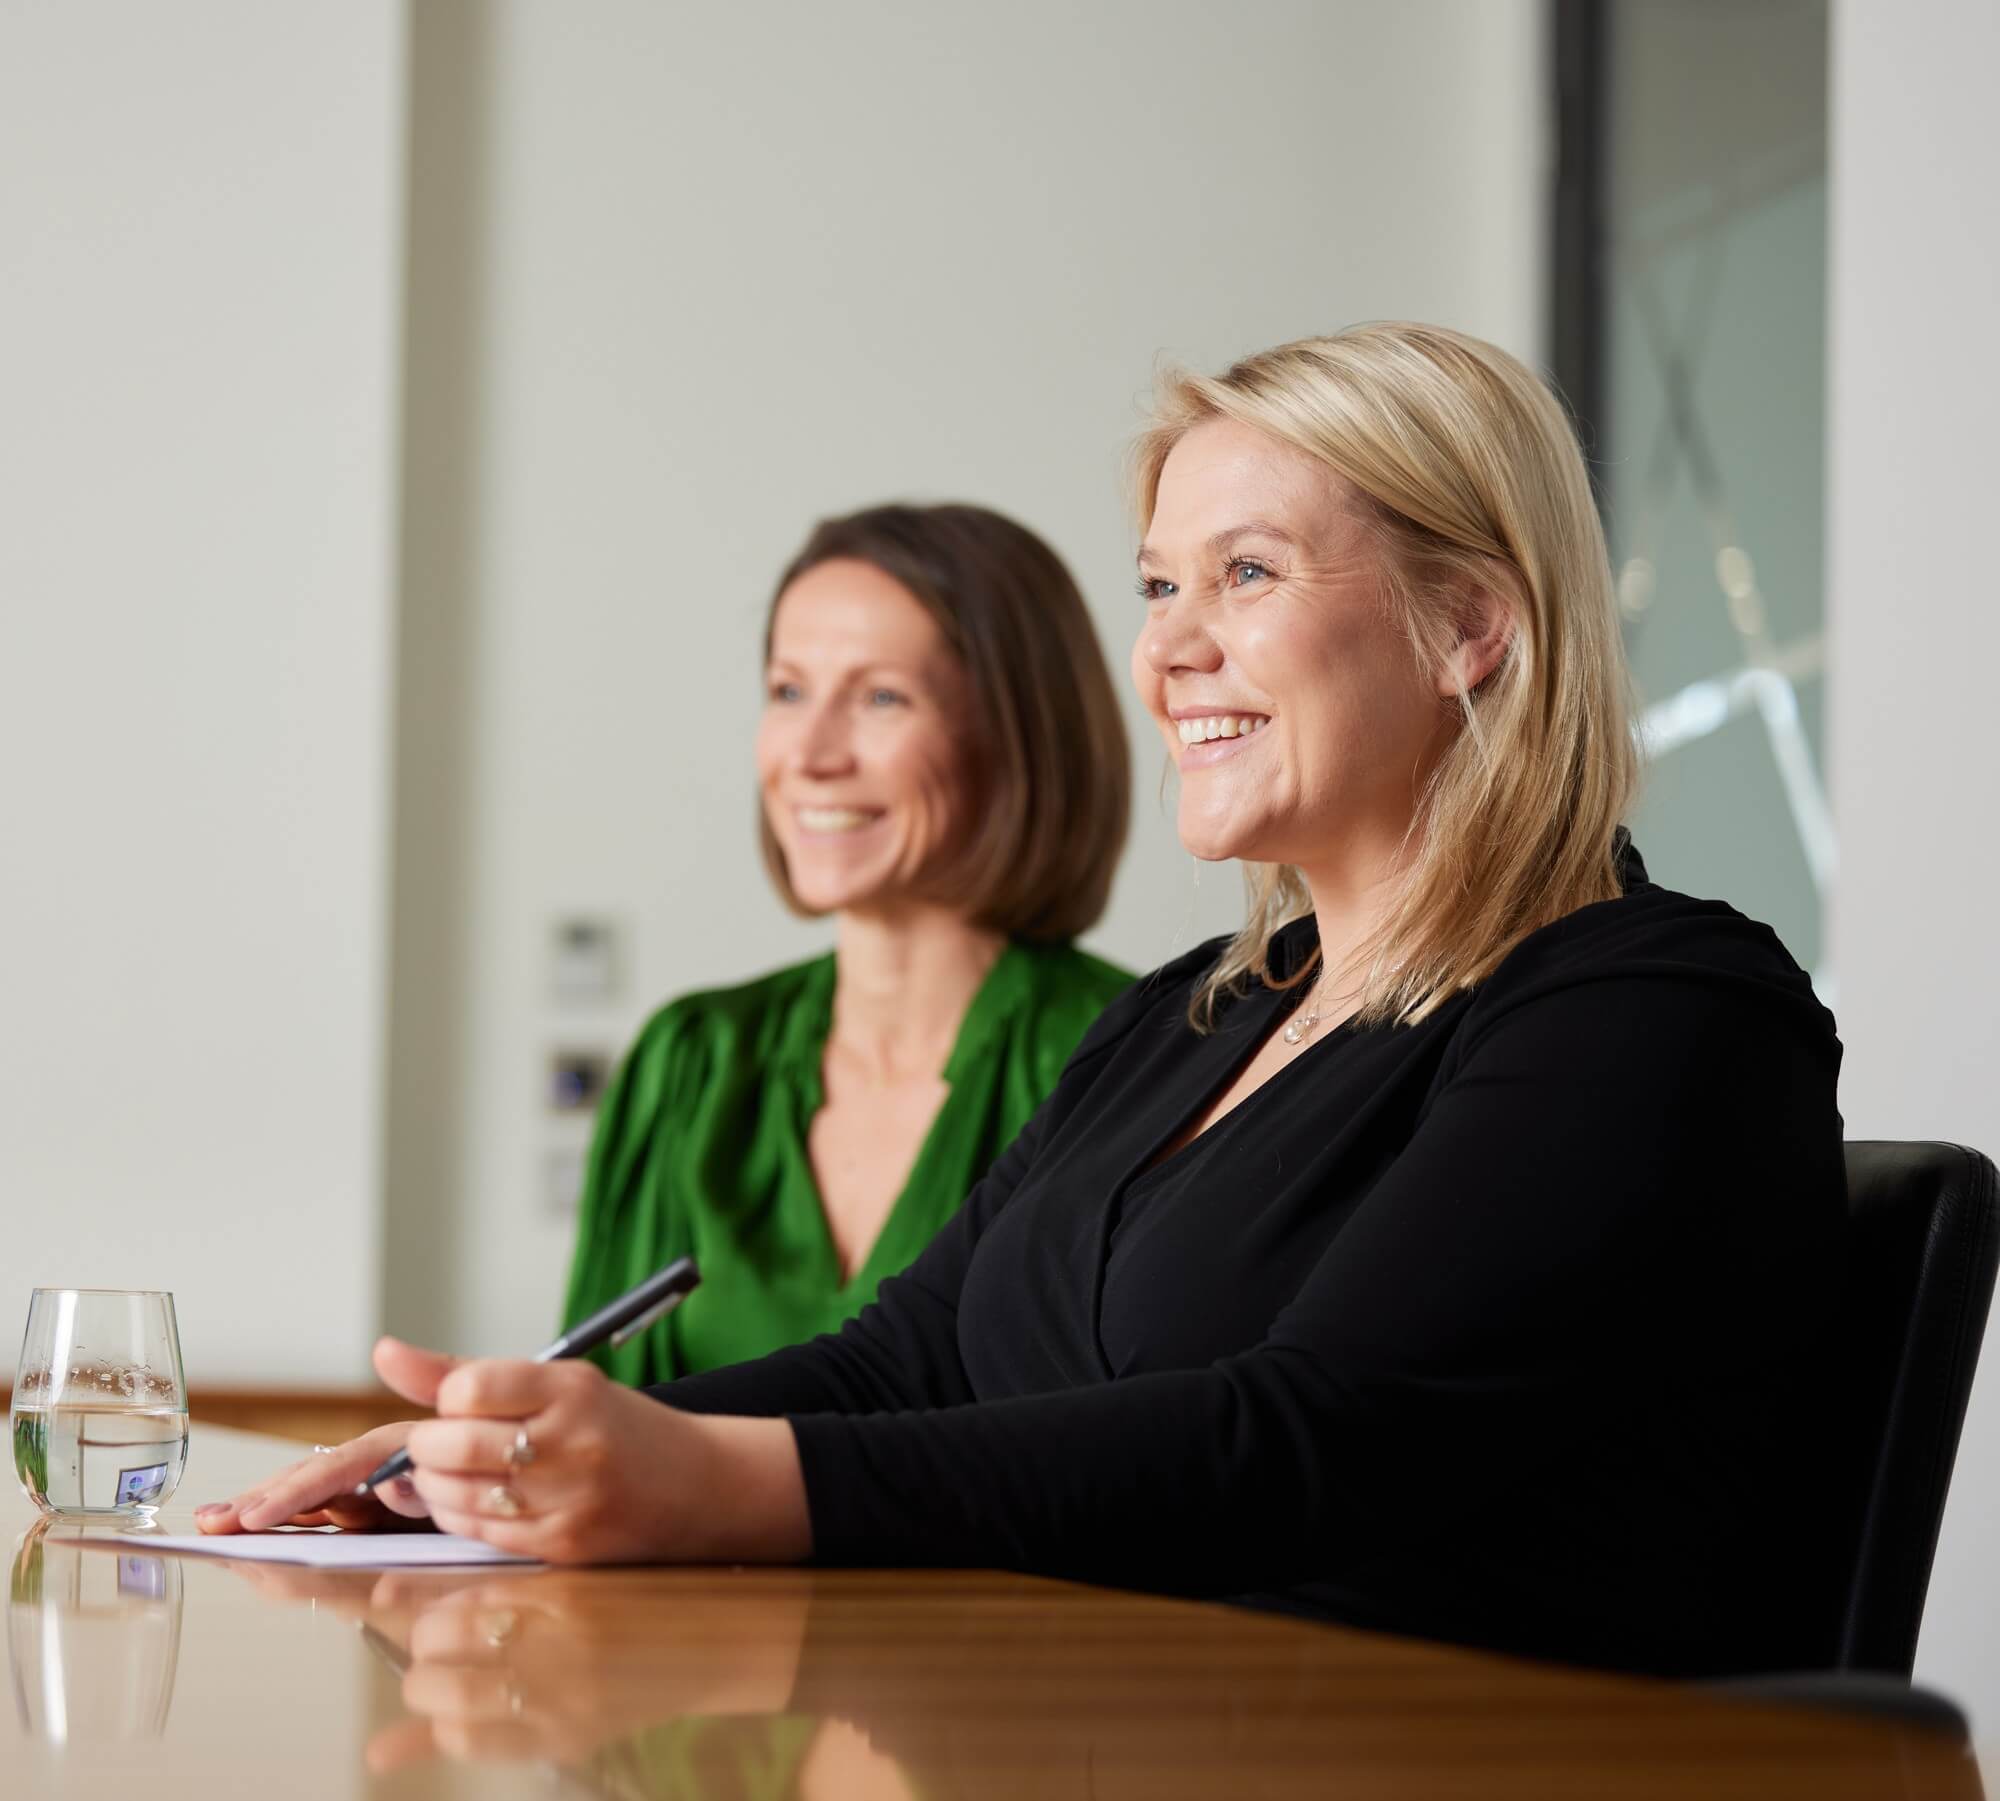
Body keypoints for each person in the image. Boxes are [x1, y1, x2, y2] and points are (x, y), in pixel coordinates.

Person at [199, 324, 1850, 1681]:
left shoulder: (1654, 1008)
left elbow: (1307, 1444)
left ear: (1471, 626)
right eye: (1158, 586)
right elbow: (901, 1361)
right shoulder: (1191, 1018)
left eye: (1246, 574)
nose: (1171, 651)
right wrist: (508, 1464)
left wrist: (713, 1480)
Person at [561, 502, 1135, 1382]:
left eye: (880, 697)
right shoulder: (692, 1062)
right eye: (788, 691)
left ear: (1016, 737)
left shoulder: (1133, 1061)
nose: (810, 752)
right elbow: (584, 1411)